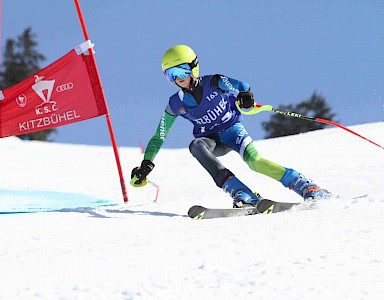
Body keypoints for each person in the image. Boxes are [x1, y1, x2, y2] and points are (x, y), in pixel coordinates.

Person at [131, 44, 330, 208]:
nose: (178, 78)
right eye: (170, 74)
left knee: (255, 162)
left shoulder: (214, 82)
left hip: (232, 131)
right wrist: (146, 164)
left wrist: (245, 96)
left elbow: (242, 85)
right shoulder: (176, 103)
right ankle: (242, 194)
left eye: (181, 70)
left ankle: (305, 186)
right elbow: (159, 136)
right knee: (196, 146)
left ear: (193, 67)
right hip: (212, 141)